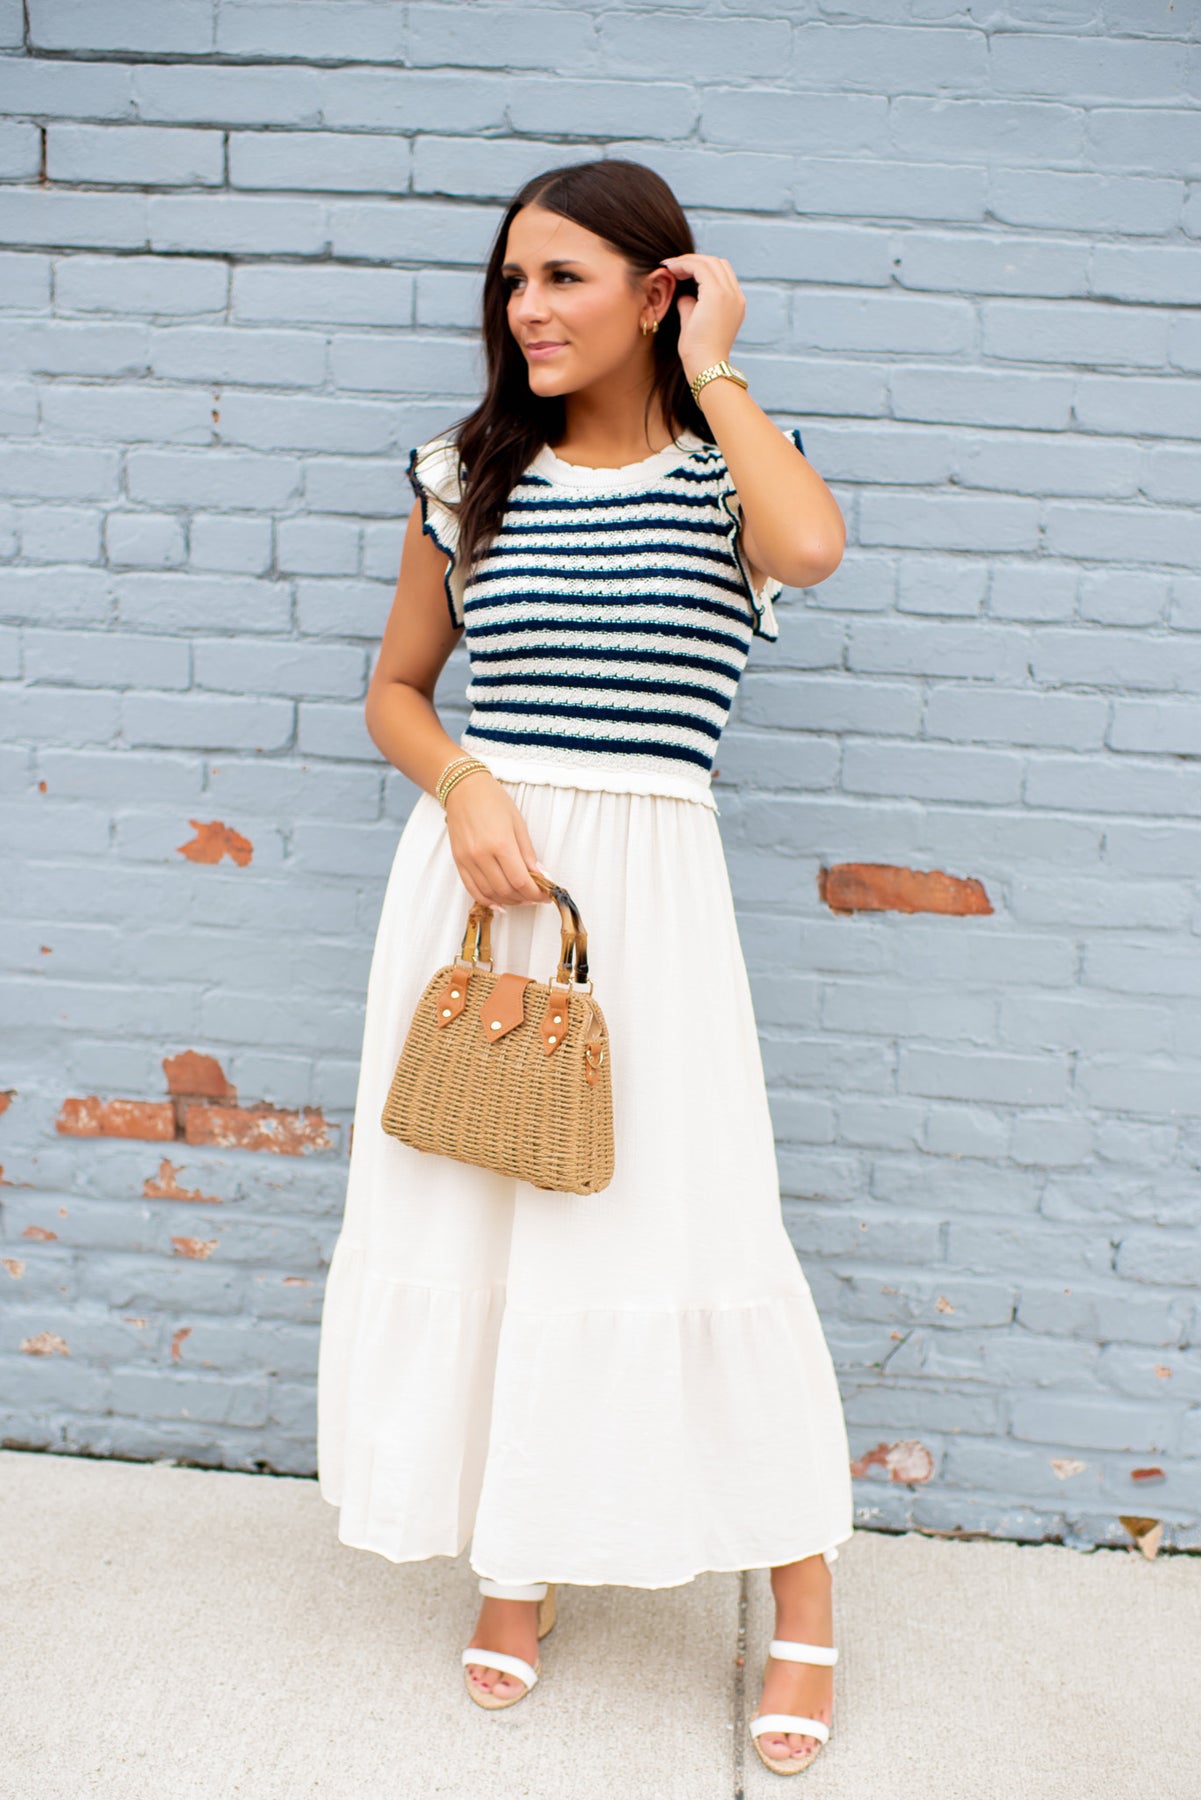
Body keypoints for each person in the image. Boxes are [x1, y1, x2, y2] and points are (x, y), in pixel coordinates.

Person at [316, 158, 853, 1777]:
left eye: (562, 277)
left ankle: (804, 1596)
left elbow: (811, 549)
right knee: (488, 1224)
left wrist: (715, 366)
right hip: (483, 888)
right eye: (513, 281)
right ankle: (518, 1560)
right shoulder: (463, 471)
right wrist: (465, 787)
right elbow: (398, 690)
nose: (527, 309)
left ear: (655, 289)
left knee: (693, 1220)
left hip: (651, 905)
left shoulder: (731, 470)